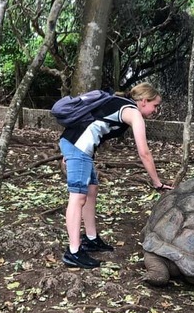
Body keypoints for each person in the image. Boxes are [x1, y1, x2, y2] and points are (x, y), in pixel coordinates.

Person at [59, 82, 173, 269]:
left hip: (80, 148)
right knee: (78, 196)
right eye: (155, 105)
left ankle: (91, 239)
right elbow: (144, 153)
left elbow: (90, 121)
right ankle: (73, 252)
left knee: (91, 190)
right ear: (144, 101)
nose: (155, 110)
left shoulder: (121, 103)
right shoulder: (133, 113)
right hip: (78, 148)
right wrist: (157, 182)